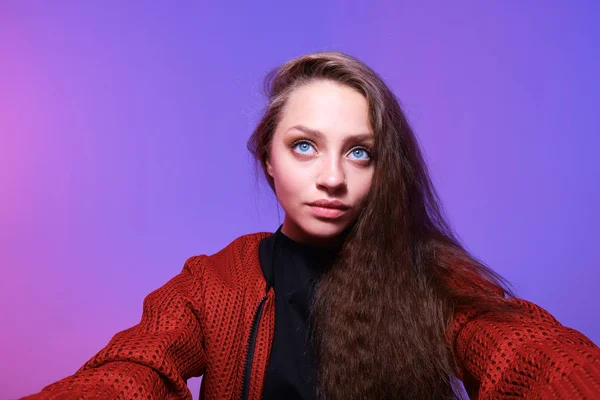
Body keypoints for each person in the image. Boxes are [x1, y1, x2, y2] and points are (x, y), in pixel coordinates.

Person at [22, 51, 600, 400]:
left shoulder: (431, 276)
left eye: (360, 153)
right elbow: (135, 371)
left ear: (385, 169)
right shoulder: (214, 283)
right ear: (267, 160)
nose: (332, 177)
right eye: (304, 146)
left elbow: (527, 350)